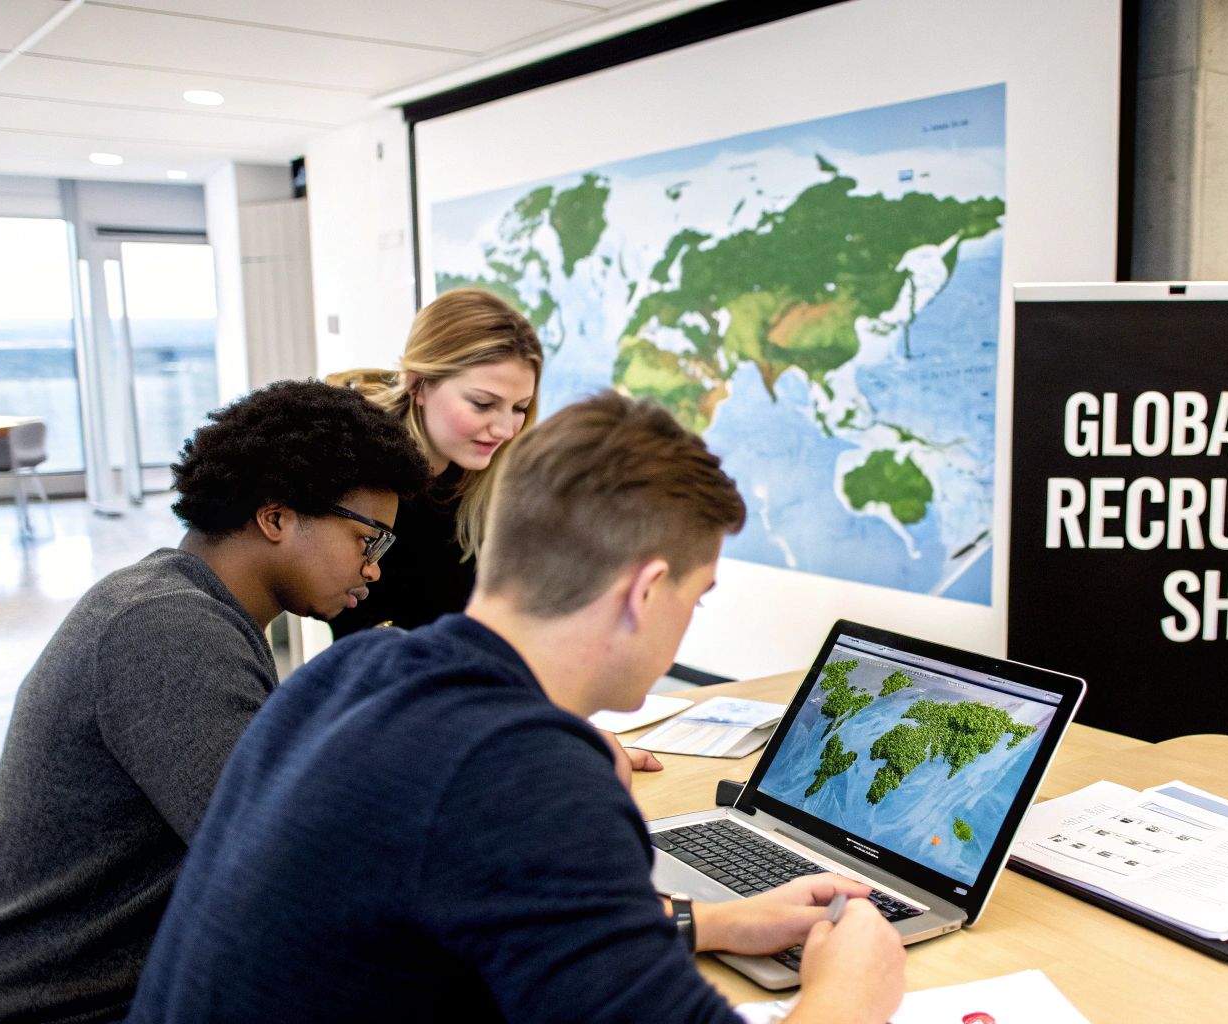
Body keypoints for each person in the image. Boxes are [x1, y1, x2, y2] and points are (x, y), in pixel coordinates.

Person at [125, 392, 906, 1023]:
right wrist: (852, 994)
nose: (687, 625)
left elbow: (491, 916)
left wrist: (722, 923)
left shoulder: (357, 670)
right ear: (642, 591)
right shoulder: (520, 772)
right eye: (694, 599)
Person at [0, 380, 431, 1024]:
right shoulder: (165, 629)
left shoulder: (190, 609)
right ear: (276, 517)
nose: (374, 570)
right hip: (57, 1008)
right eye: (370, 540)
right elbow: (278, 863)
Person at [325, 287, 542, 638]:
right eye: (483, 404)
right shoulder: (357, 475)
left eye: (519, 407)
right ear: (418, 385)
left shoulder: (491, 480)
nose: (505, 429)